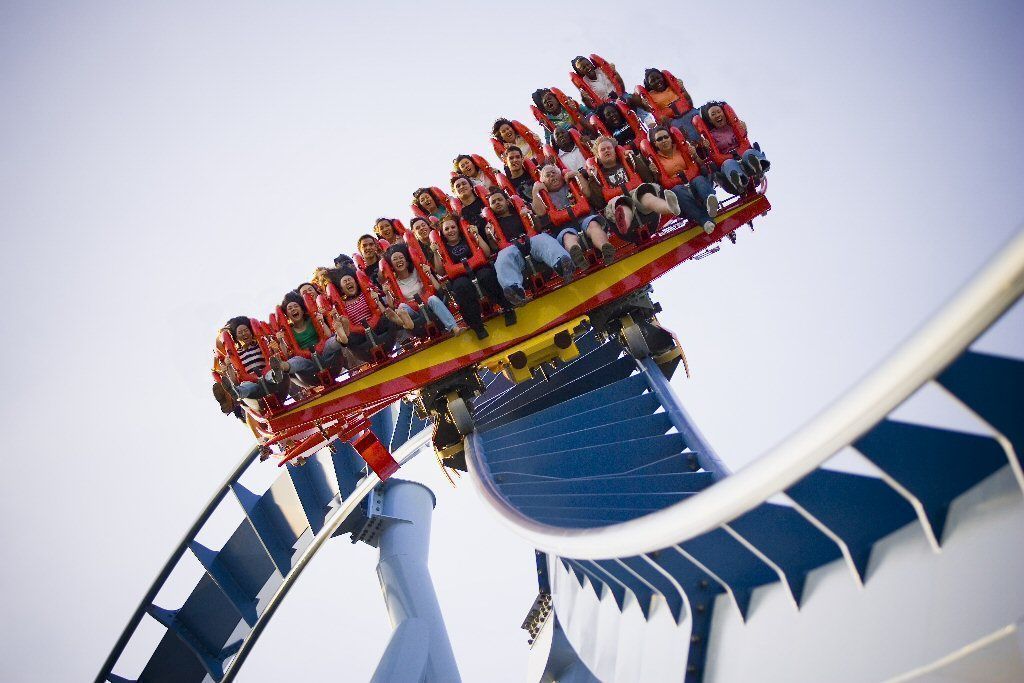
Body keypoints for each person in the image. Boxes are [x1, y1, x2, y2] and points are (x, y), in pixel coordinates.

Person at [431, 213, 515, 339]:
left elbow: (486, 253)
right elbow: (441, 272)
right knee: (461, 287)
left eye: (453, 227)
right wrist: (435, 253)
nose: (450, 231)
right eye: (446, 229)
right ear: (442, 233)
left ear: (458, 228)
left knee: (486, 276)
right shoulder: (443, 248)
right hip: (459, 275)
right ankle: (477, 326)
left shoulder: (467, 238)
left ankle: (507, 308)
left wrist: (477, 235)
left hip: (478, 267)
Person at [485, 188, 575, 305]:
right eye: (493, 202)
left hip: (531, 241)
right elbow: (495, 247)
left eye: (499, 200)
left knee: (543, 238)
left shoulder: (520, 211)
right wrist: (490, 235)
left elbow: (538, 228)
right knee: (502, 257)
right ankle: (513, 289)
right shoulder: (492, 225)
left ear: (507, 202)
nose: (497, 203)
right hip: (511, 249)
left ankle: (562, 263)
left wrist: (531, 215)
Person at [587, 136, 680, 240]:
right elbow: (598, 203)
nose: (606, 151)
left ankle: (669, 207)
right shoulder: (597, 176)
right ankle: (624, 223)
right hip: (617, 202)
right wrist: (592, 178)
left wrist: (633, 158)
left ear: (615, 150)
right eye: (602, 150)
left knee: (646, 196)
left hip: (637, 195)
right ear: (598, 156)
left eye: (609, 148)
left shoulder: (628, 162)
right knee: (621, 204)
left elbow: (647, 178)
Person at [531, 163, 615, 266]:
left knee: (593, 225)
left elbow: (587, 193)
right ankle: (578, 257)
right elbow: (540, 212)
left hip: (585, 218)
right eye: (547, 175)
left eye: (554, 173)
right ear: (542, 182)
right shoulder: (542, 198)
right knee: (567, 236)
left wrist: (578, 175)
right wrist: (535, 191)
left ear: (561, 175)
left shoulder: (572, 183)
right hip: (564, 228)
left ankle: (605, 248)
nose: (552, 176)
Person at [643, 125, 718, 233]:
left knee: (699, 180)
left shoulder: (682, 149)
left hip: (694, 183)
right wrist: (653, 173)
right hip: (679, 192)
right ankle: (704, 220)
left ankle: (710, 202)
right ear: (655, 144)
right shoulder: (655, 160)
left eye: (666, 137)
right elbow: (658, 182)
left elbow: (701, 164)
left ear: (670, 137)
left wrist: (695, 156)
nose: (664, 140)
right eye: (659, 139)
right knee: (677, 190)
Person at [383, 243, 459, 332]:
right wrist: (387, 293)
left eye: (401, 258)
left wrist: (429, 273)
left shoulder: (417, 271)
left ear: (407, 262)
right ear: (392, 265)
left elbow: (438, 288)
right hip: (413, 313)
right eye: (395, 259)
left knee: (433, 299)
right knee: (401, 306)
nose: (399, 261)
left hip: (427, 304)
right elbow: (391, 305)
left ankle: (454, 328)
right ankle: (403, 321)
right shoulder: (393, 282)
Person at [274, 292, 346, 385]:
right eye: (290, 308)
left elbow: (327, 335)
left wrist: (322, 321)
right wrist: (280, 340)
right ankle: (283, 366)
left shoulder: (312, 320)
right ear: (287, 315)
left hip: (324, 353)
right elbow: (286, 353)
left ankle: (341, 338)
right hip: (307, 363)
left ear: (302, 309)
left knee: (329, 343)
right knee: (297, 360)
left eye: (296, 306)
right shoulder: (288, 331)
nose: (293, 309)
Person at [699, 102, 770, 195]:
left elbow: (744, 140)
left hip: (745, 159)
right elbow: (711, 154)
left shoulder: (733, 127)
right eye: (713, 114)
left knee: (749, 153)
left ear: (724, 113)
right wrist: (706, 147)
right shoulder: (711, 136)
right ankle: (738, 180)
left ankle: (759, 166)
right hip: (727, 162)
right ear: (710, 120)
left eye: (718, 112)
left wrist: (744, 130)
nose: (717, 115)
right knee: (729, 163)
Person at [637, 68, 700, 142]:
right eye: (653, 81)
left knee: (698, 114)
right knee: (679, 129)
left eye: (658, 78)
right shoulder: (650, 96)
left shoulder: (672, 87)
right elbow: (651, 112)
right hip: (673, 120)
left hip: (688, 113)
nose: (657, 81)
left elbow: (689, 102)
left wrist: (683, 88)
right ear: (649, 85)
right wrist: (645, 105)